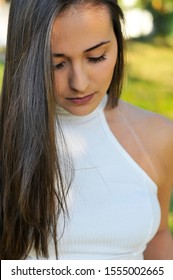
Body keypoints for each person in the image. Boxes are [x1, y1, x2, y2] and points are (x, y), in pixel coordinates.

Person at [0, 0, 173, 260]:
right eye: (56, 64)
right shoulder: (7, 140)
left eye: (96, 57)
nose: (79, 83)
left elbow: (158, 235)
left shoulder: (157, 136)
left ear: (118, 40)